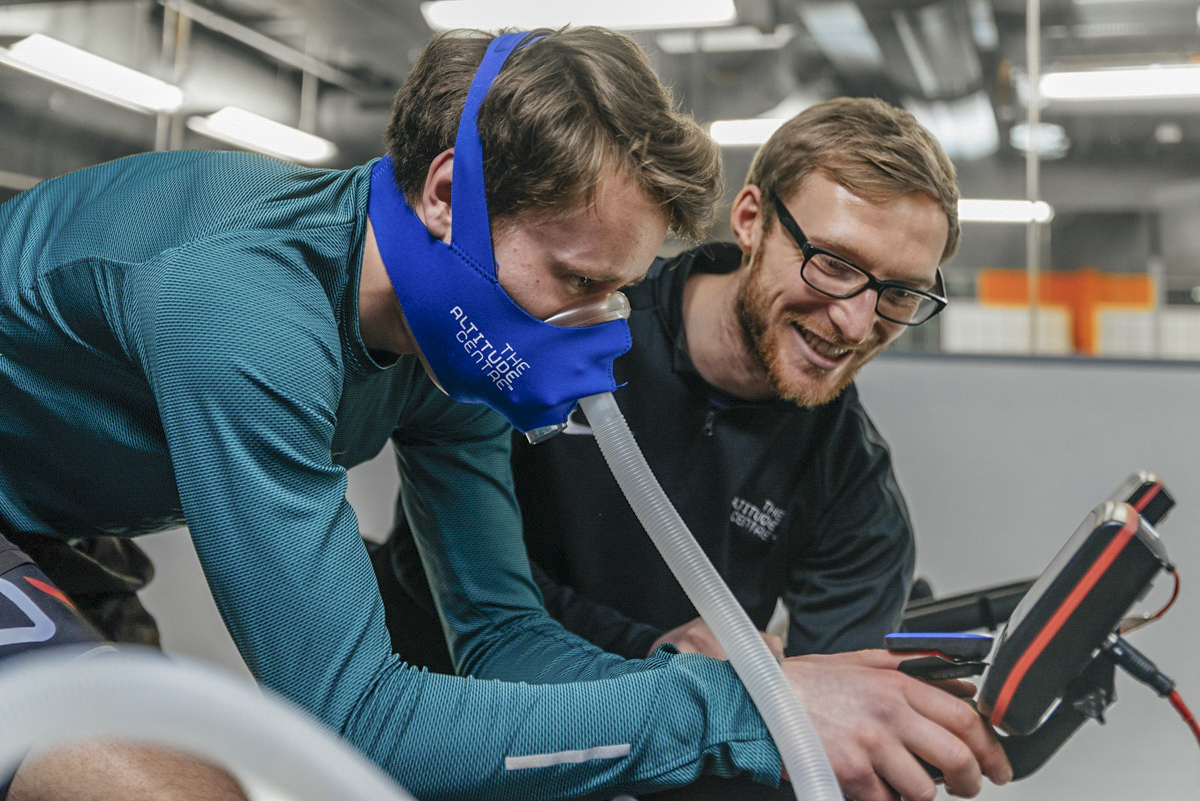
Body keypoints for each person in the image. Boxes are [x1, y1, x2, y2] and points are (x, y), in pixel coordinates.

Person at [0, 23, 1008, 801]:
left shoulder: (449, 342)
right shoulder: (245, 316)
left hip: (59, 533)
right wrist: (748, 703)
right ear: (448, 194)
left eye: (617, 290)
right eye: (575, 277)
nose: (596, 328)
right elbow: (353, 713)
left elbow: (498, 634)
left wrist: (743, 696)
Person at [372, 96, 969, 800]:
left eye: (900, 292)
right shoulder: (570, 319)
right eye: (833, 264)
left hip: (637, 768)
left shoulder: (853, 488)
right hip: (443, 735)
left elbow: (820, 743)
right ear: (752, 219)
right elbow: (429, 560)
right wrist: (654, 653)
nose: (856, 319)